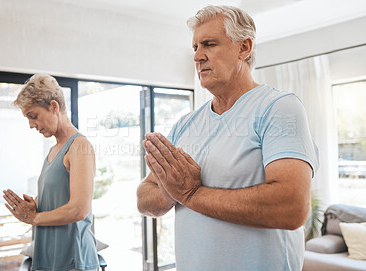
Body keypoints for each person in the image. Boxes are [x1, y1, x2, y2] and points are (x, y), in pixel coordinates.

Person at [137, 5, 319, 271]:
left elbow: (291, 207)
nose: (198, 56)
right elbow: (144, 197)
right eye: (195, 47)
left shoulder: (278, 108)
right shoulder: (185, 125)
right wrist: (170, 190)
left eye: (209, 44)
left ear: (244, 48)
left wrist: (190, 193)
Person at [3, 74, 99, 271]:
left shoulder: (80, 146)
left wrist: (35, 218)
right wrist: (34, 205)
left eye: (33, 116)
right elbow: (60, 195)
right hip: (50, 258)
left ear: (54, 107)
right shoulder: (54, 150)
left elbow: (79, 209)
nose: (31, 124)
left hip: (73, 260)